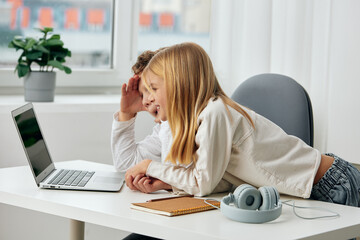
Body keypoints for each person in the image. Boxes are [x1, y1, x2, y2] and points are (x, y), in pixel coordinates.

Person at [124, 42, 360, 207]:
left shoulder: (215, 113)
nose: (148, 98)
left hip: (332, 184)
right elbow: (219, 179)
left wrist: (150, 166)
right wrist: (168, 183)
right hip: (312, 191)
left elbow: (202, 183)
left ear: (180, 85)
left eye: (154, 88)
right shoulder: (204, 119)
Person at [111, 49, 172, 193]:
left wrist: (160, 176)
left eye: (151, 89)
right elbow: (126, 166)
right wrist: (127, 113)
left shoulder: (205, 118)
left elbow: (202, 179)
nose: (145, 101)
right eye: (141, 94)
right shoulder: (166, 126)